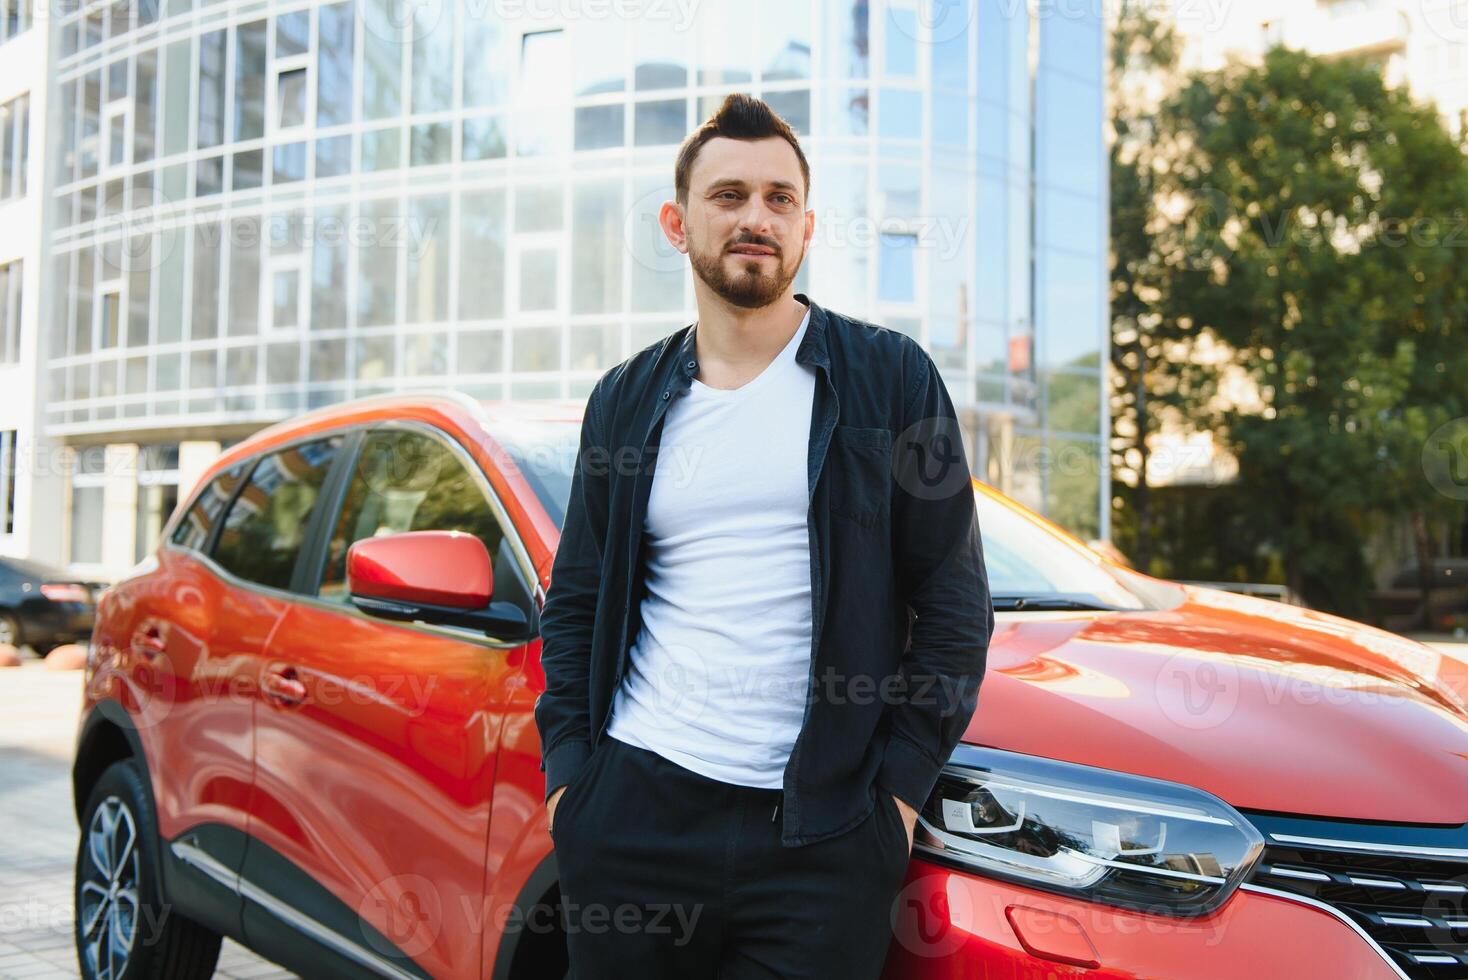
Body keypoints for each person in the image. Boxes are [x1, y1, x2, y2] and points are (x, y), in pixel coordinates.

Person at [535, 93, 993, 980]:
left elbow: (953, 604)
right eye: (730, 195)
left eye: (781, 199)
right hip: (634, 820)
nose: (757, 217)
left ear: (808, 225)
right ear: (677, 223)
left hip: (821, 842)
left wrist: (894, 801)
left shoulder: (892, 379)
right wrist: (571, 786)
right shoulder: (624, 401)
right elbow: (577, 601)